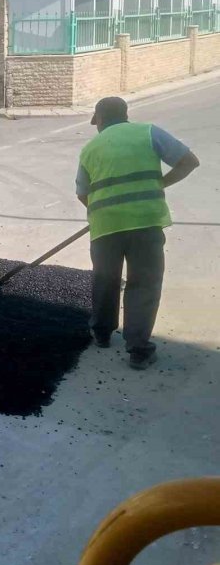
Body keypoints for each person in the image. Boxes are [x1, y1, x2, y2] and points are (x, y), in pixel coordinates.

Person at [77, 97, 198, 370]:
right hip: (146, 222)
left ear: (100, 119)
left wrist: (103, 210)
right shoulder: (148, 132)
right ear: (125, 115)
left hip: (105, 226)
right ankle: (139, 349)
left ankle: (102, 333)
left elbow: (82, 192)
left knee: (105, 280)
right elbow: (189, 162)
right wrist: (159, 183)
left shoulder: (90, 149)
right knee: (143, 284)